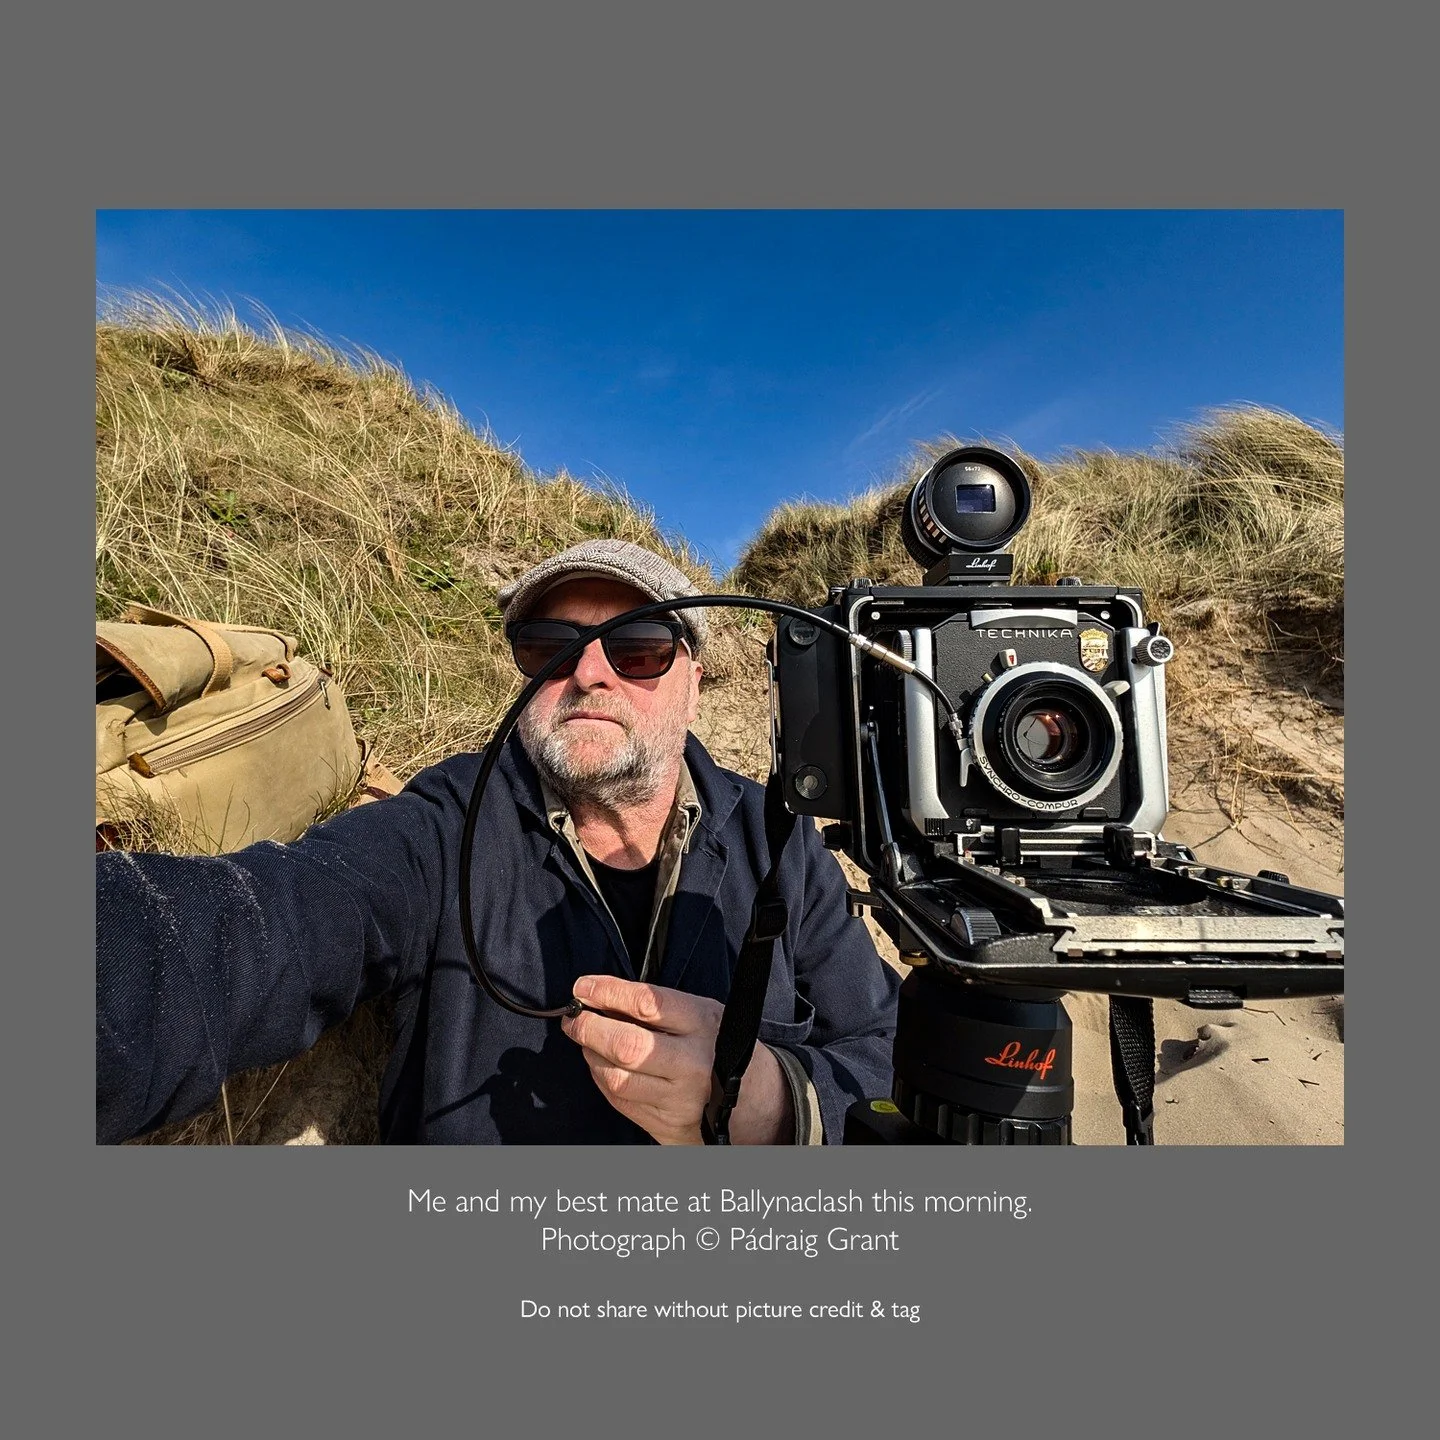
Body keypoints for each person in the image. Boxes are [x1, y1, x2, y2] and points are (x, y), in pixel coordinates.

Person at [96, 539, 900, 1144]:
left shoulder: (779, 838)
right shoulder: (445, 823)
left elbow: (890, 1046)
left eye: (639, 648)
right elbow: (263, 925)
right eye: (550, 645)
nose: (589, 672)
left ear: (693, 682)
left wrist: (776, 1103)